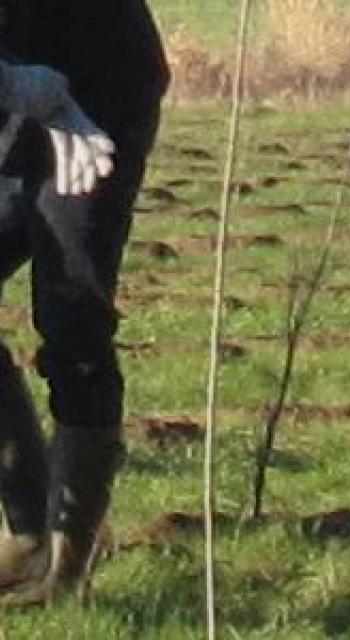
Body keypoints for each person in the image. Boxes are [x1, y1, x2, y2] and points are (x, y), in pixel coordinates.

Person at [0, 0, 168, 605]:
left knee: (72, 317)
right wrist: (21, 86)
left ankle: (68, 563)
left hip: (101, 92)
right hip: (20, 85)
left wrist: (49, 97)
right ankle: (27, 535)